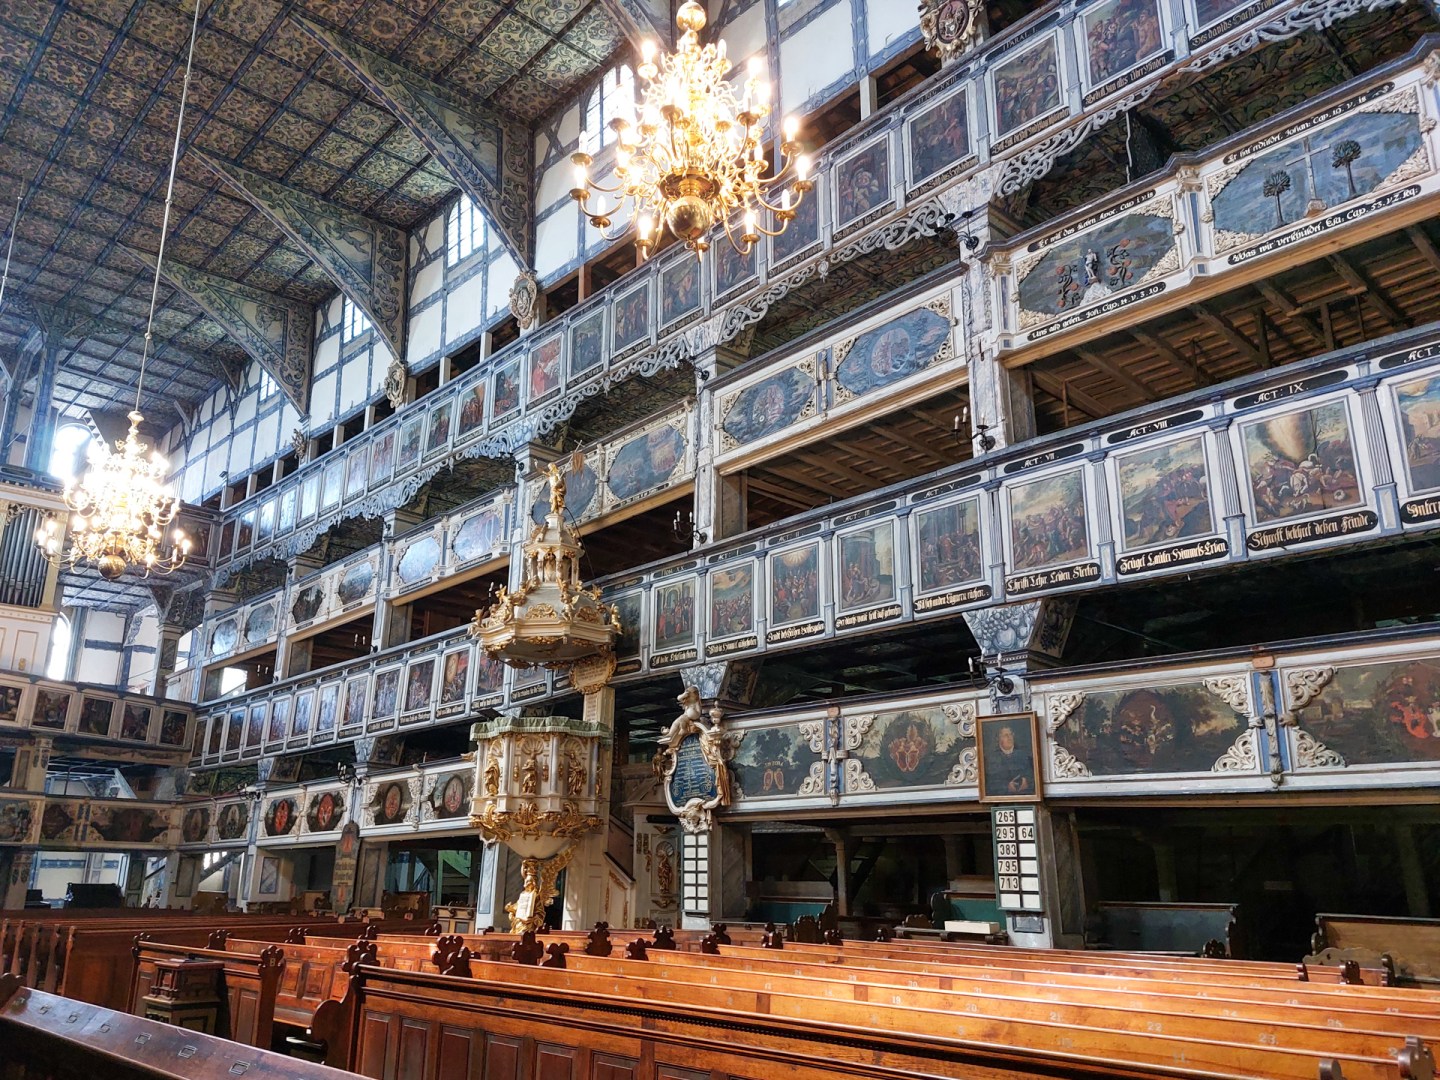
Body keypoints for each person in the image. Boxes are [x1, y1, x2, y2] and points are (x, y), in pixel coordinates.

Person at [987, 723, 1035, 797]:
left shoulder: (1024, 756)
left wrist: (1026, 781)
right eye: (1005, 735)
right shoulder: (991, 758)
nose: (1009, 737)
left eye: (1010, 734)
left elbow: (1032, 777)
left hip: (1024, 797)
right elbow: (990, 783)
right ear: (999, 739)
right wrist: (1007, 786)